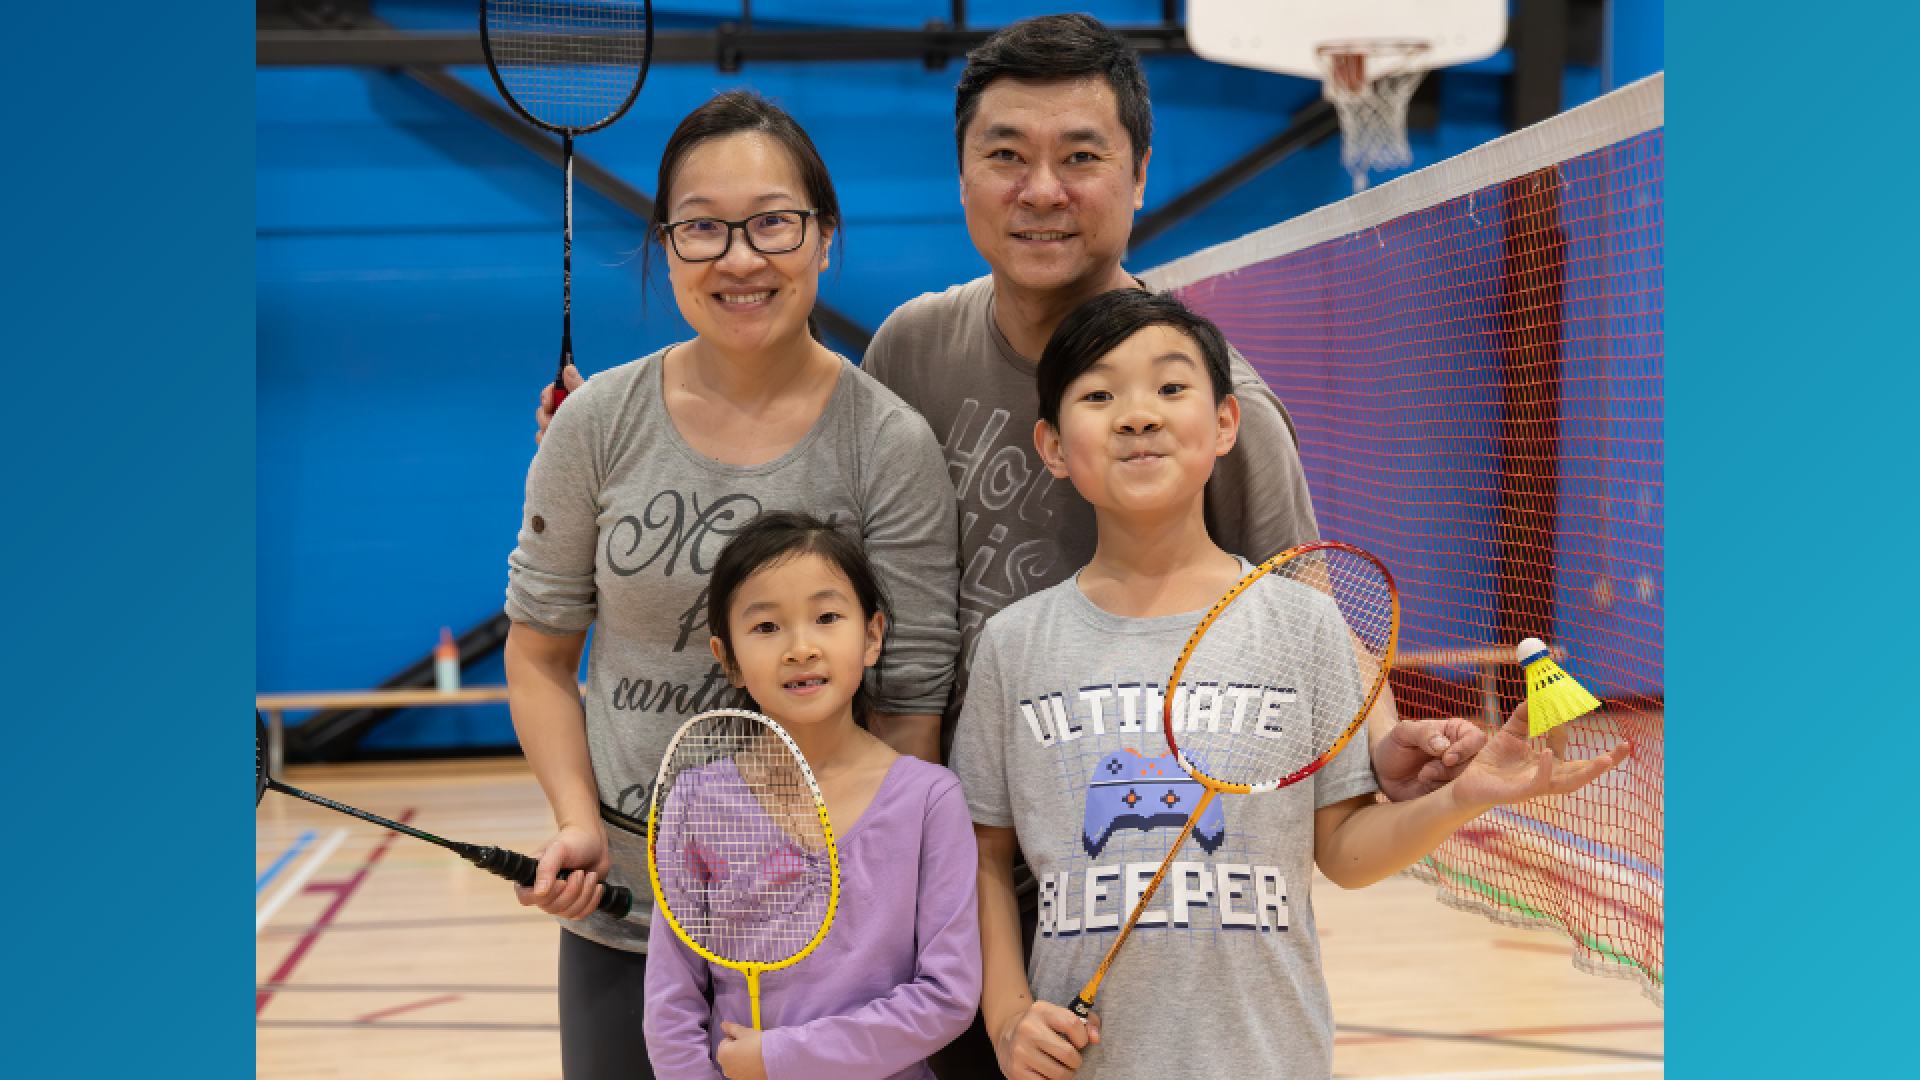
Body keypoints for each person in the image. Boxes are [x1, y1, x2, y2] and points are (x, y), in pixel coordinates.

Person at [536, 16, 1483, 797]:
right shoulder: (912, 346)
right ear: (962, 178)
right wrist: (611, 438)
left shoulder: (1217, 403)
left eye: (1080, 156)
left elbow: (1310, 600)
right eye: (1006, 155)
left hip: (1124, 839)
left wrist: (1380, 747)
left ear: (1140, 171)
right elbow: (804, 478)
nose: (1041, 191)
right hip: (943, 840)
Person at [949, 289, 1632, 1080]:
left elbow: (1342, 850)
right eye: (1099, 396)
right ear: (1053, 445)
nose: (1138, 415)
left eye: (1172, 388)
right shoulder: (1013, 645)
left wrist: (1460, 798)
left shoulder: (1302, 626)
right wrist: (1004, 1018)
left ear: (1227, 426)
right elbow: (983, 857)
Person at [503, 91, 962, 1080]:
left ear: (825, 238)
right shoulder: (595, 426)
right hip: (628, 912)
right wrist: (577, 823)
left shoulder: (886, 444)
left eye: (773, 223)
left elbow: (913, 702)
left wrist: (863, 895)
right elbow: (539, 652)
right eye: (702, 227)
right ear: (665, 245)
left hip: (829, 923)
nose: (739, 257)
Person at [644, 511, 982, 1080]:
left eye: (827, 617)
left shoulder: (930, 800)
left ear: (871, 636)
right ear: (727, 659)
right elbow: (670, 999)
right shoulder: (696, 801)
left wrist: (781, 1058)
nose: (801, 648)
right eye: (766, 627)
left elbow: (947, 997)